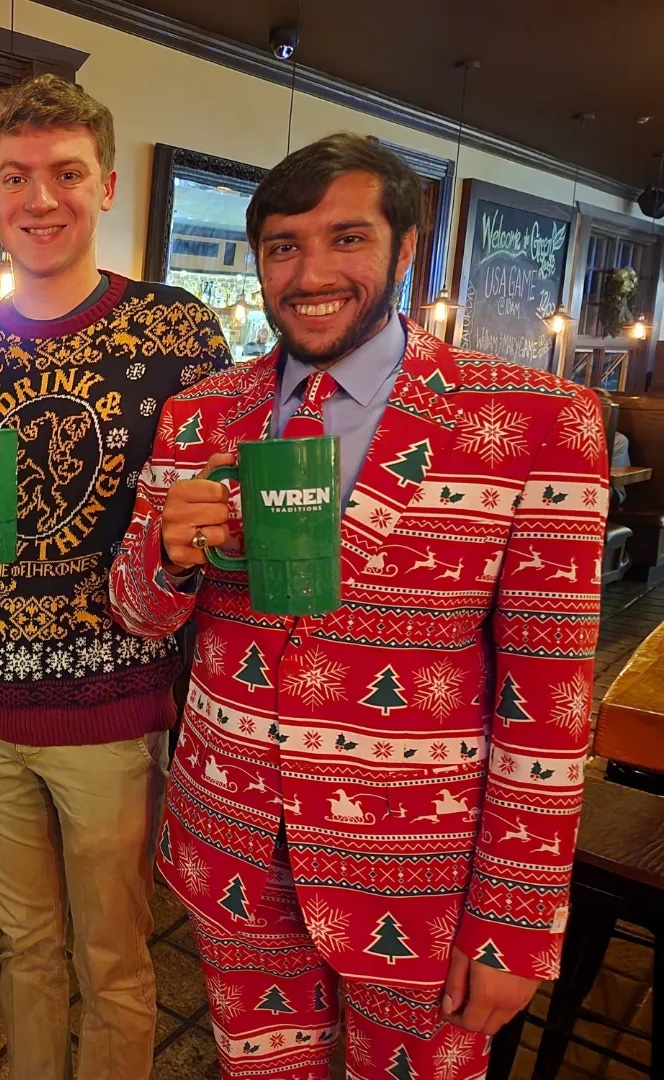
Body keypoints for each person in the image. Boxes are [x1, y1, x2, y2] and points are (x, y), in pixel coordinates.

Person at [109, 133, 608, 1079]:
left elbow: (550, 699)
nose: (312, 272)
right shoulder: (203, 414)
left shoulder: (535, 420)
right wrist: (165, 560)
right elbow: (136, 614)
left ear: (405, 246)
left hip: (423, 876)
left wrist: (514, 916)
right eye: (283, 246)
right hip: (234, 849)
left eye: (347, 238)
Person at [0, 75, 231, 1080]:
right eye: (16, 177)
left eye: (64, 173)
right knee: (24, 952)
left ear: (104, 187)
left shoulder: (176, 332)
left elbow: (215, 524)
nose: (39, 197)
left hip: (115, 710)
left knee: (114, 962)